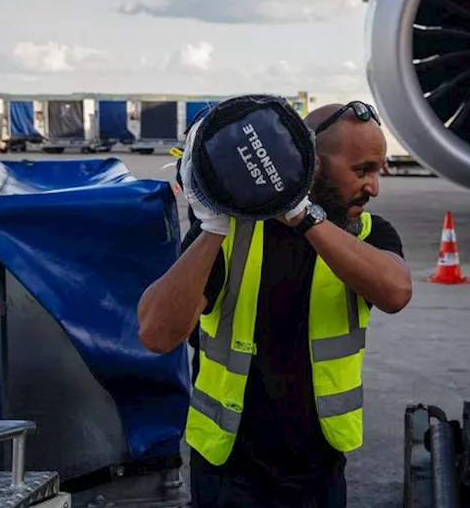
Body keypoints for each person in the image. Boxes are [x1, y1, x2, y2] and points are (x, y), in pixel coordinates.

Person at [137, 100, 412, 508]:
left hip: (318, 469)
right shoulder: (231, 235)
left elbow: (395, 294)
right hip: (228, 468)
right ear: (314, 164)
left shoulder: (368, 233)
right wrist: (212, 226)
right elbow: (157, 335)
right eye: (363, 170)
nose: (374, 186)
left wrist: (303, 216)